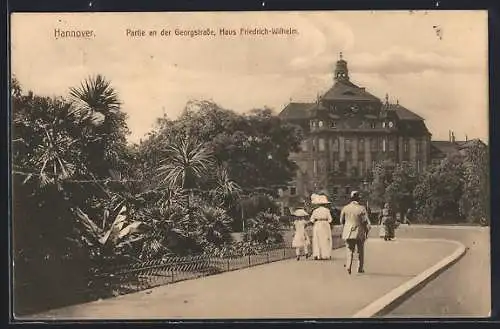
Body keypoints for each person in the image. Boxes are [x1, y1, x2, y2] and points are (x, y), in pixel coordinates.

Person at [340, 191, 371, 274]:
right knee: (360, 251)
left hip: (348, 232)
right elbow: (365, 221)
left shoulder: (345, 208)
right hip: (359, 231)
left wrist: (346, 226)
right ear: (358, 199)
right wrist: (366, 231)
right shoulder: (362, 208)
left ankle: (348, 266)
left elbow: (341, 220)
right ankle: (360, 268)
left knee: (349, 250)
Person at [310, 193, 334, 260]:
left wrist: (316, 221)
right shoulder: (327, 210)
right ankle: (325, 255)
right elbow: (330, 219)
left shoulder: (315, 211)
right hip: (325, 225)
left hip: (317, 224)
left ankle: (317, 254)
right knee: (326, 239)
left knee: (317, 239)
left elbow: (312, 220)